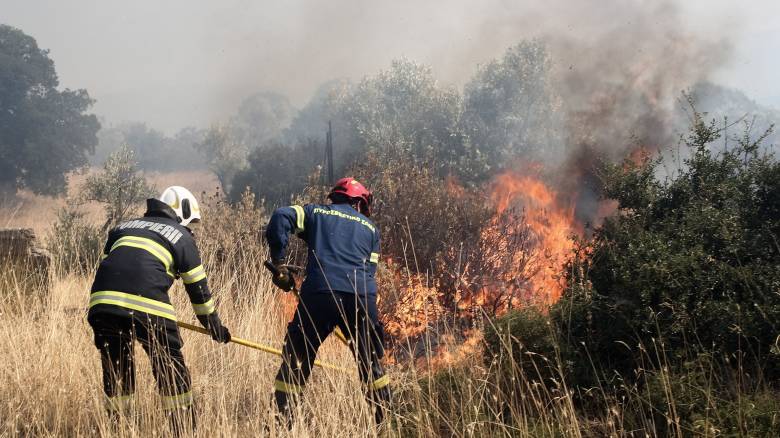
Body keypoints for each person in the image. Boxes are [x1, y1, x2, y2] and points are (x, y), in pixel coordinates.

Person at [87, 186, 231, 435]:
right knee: (170, 369)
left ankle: (118, 429)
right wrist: (214, 326)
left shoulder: (121, 228)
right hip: (149, 306)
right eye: (191, 222)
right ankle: (183, 429)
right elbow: (198, 291)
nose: (191, 228)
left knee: (117, 371)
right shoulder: (181, 236)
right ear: (182, 213)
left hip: (102, 304)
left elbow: (114, 266)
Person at [266, 177, 391, 427]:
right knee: (370, 364)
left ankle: (279, 424)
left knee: (297, 358)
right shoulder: (371, 229)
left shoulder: (316, 213)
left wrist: (279, 263)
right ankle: (386, 424)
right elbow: (371, 269)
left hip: (320, 294)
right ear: (358, 203)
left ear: (335, 197)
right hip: (362, 297)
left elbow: (281, 216)